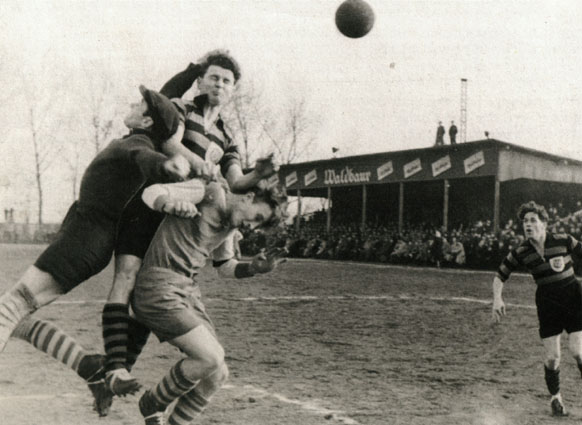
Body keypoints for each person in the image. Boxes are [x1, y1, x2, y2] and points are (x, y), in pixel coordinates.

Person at [0, 85, 190, 415]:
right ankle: (87, 365)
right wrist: (192, 70)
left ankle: (89, 366)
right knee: (15, 314)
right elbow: (163, 118)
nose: (133, 103)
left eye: (139, 104)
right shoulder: (139, 137)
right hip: (86, 238)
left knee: (12, 306)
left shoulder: (136, 142)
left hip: (84, 239)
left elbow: (147, 157)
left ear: (145, 121)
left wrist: (170, 166)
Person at [101, 49, 278, 399]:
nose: (219, 84)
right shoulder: (184, 109)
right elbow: (170, 145)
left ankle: (117, 375)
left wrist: (258, 172)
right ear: (201, 81)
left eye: (227, 81)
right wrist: (201, 166)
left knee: (152, 298)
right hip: (158, 199)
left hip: (185, 211)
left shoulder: (227, 137)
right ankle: (113, 370)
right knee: (130, 277)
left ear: (233, 91)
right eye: (214, 77)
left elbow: (236, 180)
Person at [131, 177, 288, 425]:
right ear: (248, 198)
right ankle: (153, 402)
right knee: (210, 357)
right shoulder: (209, 192)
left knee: (217, 375)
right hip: (157, 285)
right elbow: (151, 191)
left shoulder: (230, 225)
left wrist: (254, 268)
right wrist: (169, 204)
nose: (252, 226)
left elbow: (224, 266)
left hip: (188, 291)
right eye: (256, 217)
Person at [492, 201, 582, 417]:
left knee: (578, 350)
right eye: (525, 221)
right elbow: (500, 275)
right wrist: (497, 298)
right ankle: (556, 398)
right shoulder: (521, 251)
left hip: (573, 298)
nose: (528, 225)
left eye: (533, 220)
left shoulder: (563, 240)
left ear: (544, 223)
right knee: (552, 357)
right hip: (547, 302)